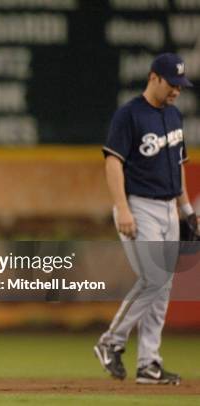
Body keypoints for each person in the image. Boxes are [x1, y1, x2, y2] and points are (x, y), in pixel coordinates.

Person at [94, 53, 194, 385]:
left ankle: (149, 363)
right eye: (172, 84)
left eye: (181, 85)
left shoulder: (175, 115)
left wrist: (187, 211)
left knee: (162, 286)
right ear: (154, 78)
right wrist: (122, 208)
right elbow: (113, 163)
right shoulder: (130, 115)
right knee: (154, 277)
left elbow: (178, 166)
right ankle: (110, 342)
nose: (177, 91)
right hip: (138, 206)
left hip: (168, 207)